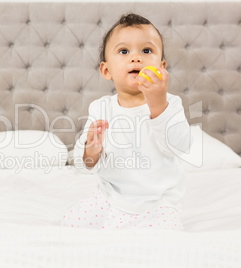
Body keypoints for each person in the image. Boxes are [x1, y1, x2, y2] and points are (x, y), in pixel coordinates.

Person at [61, 13, 191, 231]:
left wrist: (158, 104)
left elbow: (181, 146)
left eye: (147, 51)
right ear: (106, 70)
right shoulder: (101, 108)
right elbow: (85, 165)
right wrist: (91, 150)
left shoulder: (171, 104)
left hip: (158, 204)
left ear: (162, 66)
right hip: (110, 198)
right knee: (70, 224)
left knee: (162, 238)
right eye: (124, 51)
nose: (136, 58)